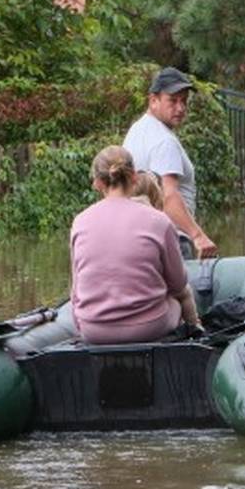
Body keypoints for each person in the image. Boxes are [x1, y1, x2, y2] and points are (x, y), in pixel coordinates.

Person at [70, 146, 201, 344]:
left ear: (97, 183)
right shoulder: (159, 221)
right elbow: (177, 284)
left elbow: (76, 289)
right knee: (180, 297)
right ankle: (198, 331)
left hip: (93, 331)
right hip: (149, 327)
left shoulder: (79, 222)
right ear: (134, 177)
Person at [123, 67, 218, 259]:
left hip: (139, 240)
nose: (180, 108)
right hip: (173, 240)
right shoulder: (165, 142)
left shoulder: (136, 131)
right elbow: (169, 196)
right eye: (172, 101)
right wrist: (198, 236)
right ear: (153, 100)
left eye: (184, 101)